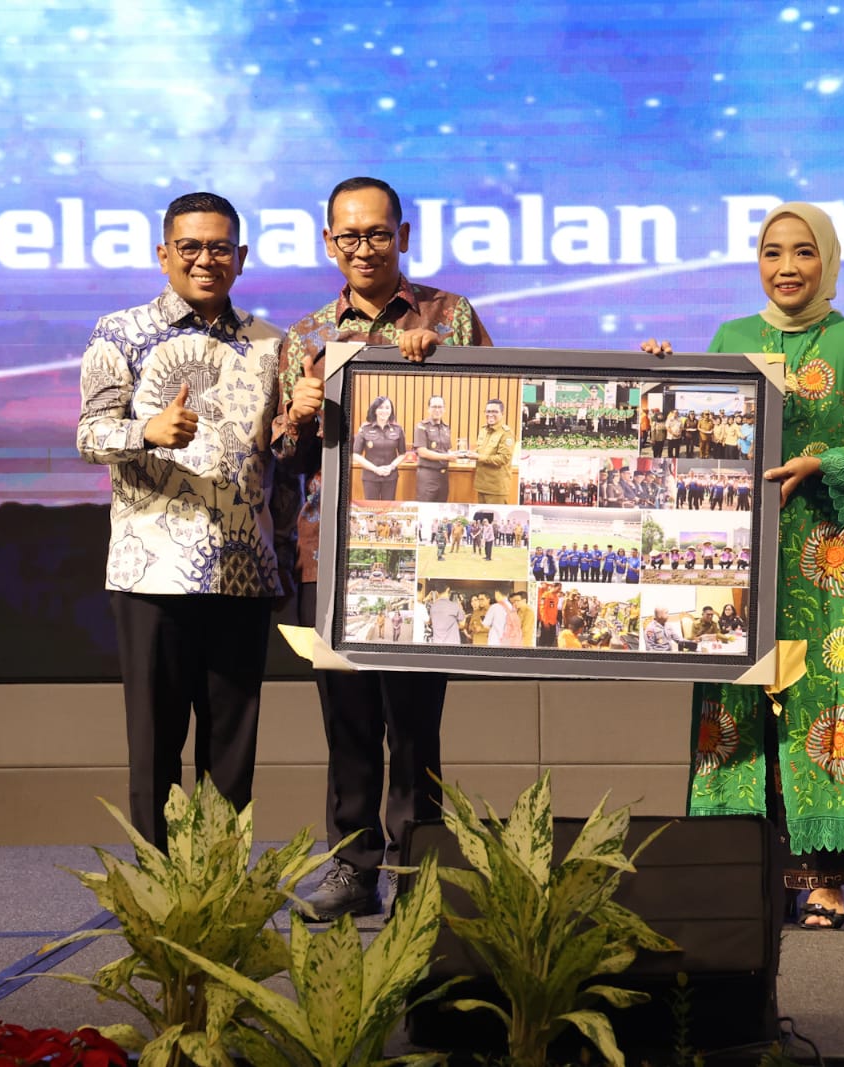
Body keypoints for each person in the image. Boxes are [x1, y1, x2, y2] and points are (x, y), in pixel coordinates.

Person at [642, 202, 844, 927]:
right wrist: (660, 374)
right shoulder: (731, 337)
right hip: (742, 558)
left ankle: (823, 878)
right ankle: (740, 870)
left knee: (829, 705)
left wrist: (821, 464)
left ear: (828, 259)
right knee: (739, 707)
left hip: (828, 561)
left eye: (803, 252)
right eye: (772, 252)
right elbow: (696, 427)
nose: (787, 267)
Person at [273, 176, 492, 920]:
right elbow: (284, 458)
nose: (363, 248)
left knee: (416, 723)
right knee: (348, 721)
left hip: (427, 552)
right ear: (328, 242)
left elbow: (497, 417)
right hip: (332, 555)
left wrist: (443, 364)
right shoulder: (305, 337)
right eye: (349, 236)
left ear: (403, 235)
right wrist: (298, 414)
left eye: (376, 233)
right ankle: (352, 867)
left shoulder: (451, 315)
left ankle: (417, 867)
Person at [76, 191, 296, 847]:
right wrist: (145, 430)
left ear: (241, 256)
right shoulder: (120, 332)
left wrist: (302, 421)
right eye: (191, 247)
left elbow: (282, 457)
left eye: (220, 247)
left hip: (243, 571)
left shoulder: (271, 343)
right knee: (155, 749)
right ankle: (158, 891)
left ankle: (220, 889)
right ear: (164, 254)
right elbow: (88, 435)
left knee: (232, 756)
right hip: (152, 573)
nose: (206, 260)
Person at [353, 395, 407, 500]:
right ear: (375, 410)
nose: (384, 411)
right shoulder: (365, 429)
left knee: (388, 507)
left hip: (390, 477)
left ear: (391, 410)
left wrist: (391, 467)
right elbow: (355, 454)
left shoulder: (398, 429)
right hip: (370, 477)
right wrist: (375, 469)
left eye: (387, 408)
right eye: (381, 407)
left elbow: (402, 454)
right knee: (371, 507)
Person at [413, 395, 455, 502]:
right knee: (425, 507)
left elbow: (447, 450)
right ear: (429, 409)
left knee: (441, 507)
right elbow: (422, 452)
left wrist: (458, 455)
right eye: (434, 407)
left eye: (440, 407)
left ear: (444, 409)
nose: (437, 410)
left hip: (443, 476)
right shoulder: (421, 427)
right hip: (428, 475)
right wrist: (447, 457)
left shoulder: (446, 428)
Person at [474, 399, 516, 503]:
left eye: (495, 412)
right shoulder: (483, 430)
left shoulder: (506, 433)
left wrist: (478, 457)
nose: (490, 414)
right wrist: (468, 454)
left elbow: (503, 458)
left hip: (496, 488)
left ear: (502, 413)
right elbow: (481, 451)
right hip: (482, 485)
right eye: (488, 411)